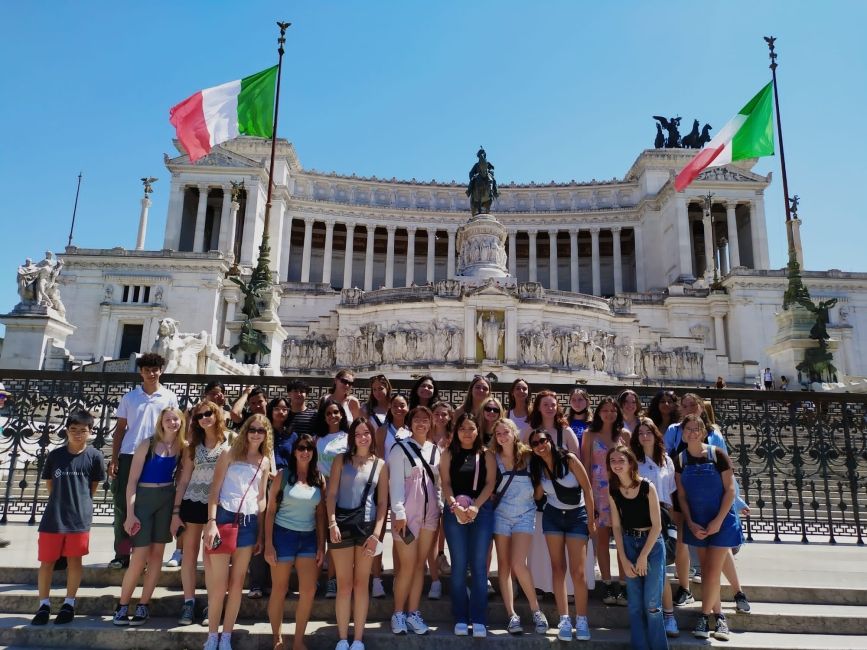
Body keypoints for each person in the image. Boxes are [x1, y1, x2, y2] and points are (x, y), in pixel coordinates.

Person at [202, 415, 272, 650]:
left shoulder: (264, 461)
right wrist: (211, 522)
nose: (256, 434)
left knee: (238, 583)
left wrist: (261, 534)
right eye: (252, 429)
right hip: (224, 518)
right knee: (219, 584)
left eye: (261, 430)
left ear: (266, 434)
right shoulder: (229, 453)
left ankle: (227, 636)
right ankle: (212, 635)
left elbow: (261, 499)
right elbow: (214, 490)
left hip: (249, 523)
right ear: (245, 430)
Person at [113, 407, 186, 626]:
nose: (172, 423)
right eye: (168, 419)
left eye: (176, 419)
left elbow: (181, 479)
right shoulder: (148, 443)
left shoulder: (182, 447)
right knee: (139, 557)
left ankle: (144, 605)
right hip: (144, 497)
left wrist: (175, 512)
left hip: (166, 498)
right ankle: (123, 605)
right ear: (161, 422)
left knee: (157, 556)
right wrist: (130, 514)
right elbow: (132, 481)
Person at [31, 411, 105, 626]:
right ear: (66, 431)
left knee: (74, 560)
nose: (78, 434)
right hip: (53, 518)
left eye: (83, 430)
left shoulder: (95, 456)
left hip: (78, 519)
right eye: (73, 430)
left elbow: (92, 487)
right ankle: (43, 605)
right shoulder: (55, 455)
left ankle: (69, 604)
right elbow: (50, 484)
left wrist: (80, 505)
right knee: (46, 562)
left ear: (90, 432)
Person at [675, 414, 743, 642]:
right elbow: (682, 496)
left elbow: (730, 491)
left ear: (704, 431)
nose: (692, 432)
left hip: (721, 521)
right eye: (688, 429)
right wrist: (691, 522)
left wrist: (717, 521)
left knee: (712, 571)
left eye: (697, 428)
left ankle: (704, 616)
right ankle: (720, 616)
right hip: (697, 521)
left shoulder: (718, 455)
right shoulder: (680, 459)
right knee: (706, 571)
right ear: (683, 433)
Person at [108, 353, 179, 569]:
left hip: (155, 455)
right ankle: (122, 555)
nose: (151, 373)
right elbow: (120, 429)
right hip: (129, 454)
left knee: (149, 506)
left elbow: (175, 426)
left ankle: (146, 556)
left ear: (161, 371)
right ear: (140, 372)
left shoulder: (169, 397)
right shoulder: (130, 397)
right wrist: (114, 458)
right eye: (147, 370)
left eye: (155, 369)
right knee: (122, 506)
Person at [326, 419, 389, 650]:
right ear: (352, 437)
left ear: (372, 436)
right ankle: (343, 638)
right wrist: (332, 522)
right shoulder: (340, 460)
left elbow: (383, 503)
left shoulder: (380, 464)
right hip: (341, 525)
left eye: (367, 433)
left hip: (367, 527)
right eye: (358, 433)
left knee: (362, 584)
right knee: (344, 585)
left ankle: (358, 639)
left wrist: (377, 534)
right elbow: (331, 494)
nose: (363, 437)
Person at [528, 427, 596, 641]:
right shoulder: (537, 465)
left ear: (549, 440)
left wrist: (592, 521)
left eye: (542, 441)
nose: (540, 446)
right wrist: (537, 479)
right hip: (553, 516)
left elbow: (587, 489)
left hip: (577, 516)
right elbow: (538, 495)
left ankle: (582, 619)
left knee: (578, 572)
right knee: (557, 568)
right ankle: (564, 618)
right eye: (535, 444)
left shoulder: (569, 459)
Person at [264, 434, 326, 650]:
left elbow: (320, 515)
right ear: (294, 451)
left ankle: (299, 641)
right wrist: (268, 544)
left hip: (308, 538)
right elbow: (270, 511)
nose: (305, 451)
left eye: (309, 448)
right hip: (283, 536)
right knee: (279, 589)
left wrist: (321, 545)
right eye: (301, 447)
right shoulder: (283, 475)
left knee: (308, 591)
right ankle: (277, 639)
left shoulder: (319, 479)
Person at [171, 400, 229, 626]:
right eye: (198, 416)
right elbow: (184, 479)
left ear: (216, 415)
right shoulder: (193, 445)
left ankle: (211, 604)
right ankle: (189, 602)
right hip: (192, 502)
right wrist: (176, 512)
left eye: (207, 414)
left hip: (218, 504)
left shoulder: (230, 441)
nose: (203, 418)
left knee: (211, 558)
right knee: (189, 554)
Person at [606, 444, 668, 650]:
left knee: (652, 605)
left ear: (631, 462)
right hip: (629, 543)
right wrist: (623, 558)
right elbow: (616, 525)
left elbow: (657, 526)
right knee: (634, 606)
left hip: (651, 546)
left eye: (621, 460)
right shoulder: (613, 490)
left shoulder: (646, 487)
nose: (617, 464)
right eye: (613, 461)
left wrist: (643, 556)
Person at [440, 413, 497, 637]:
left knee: (479, 565)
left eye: (471, 428)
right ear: (456, 431)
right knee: (459, 566)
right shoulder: (448, 453)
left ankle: (479, 617)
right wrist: (455, 506)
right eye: (462, 428)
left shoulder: (486, 455)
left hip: (480, 512)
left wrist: (475, 507)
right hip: (455, 512)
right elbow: (445, 482)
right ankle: (461, 616)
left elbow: (490, 483)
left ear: (478, 431)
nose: (467, 432)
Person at [491, 418, 548, 635]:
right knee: (504, 566)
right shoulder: (493, 457)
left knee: (518, 563)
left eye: (506, 432)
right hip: (501, 516)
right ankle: (511, 615)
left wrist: (534, 498)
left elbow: (541, 481)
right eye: (498, 434)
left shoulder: (528, 456)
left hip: (525, 514)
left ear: (514, 433)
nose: (502, 437)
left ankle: (536, 610)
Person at [387, 405, 441, 636]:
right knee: (407, 565)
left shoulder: (435, 449)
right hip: (407, 513)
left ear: (431, 424)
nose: (421, 423)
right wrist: (398, 512)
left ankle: (413, 612)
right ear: (410, 423)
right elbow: (396, 483)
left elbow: (438, 483)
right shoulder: (400, 448)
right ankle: (398, 613)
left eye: (425, 420)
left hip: (430, 513)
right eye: (417, 419)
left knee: (420, 565)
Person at [630, 418, 679, 638]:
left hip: (662, 517)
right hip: (638, 517)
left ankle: (669, 616)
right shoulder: (633, 462)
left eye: (648, 432)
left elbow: (669, 494)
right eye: (640, 433)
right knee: (640, 573)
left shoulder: (666, 461)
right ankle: (646, 621)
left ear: (655, 435)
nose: (644, 436)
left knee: (660, 571)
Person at [581, 395, 629, 606]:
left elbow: (632, 465)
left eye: (613, 410)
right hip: (598, 493)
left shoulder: (625, 435)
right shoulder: (589, 435)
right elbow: (586, 465)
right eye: (605, 410)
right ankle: (608, 584)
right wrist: (588, 496)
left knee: (622, 541)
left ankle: (624, 584)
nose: (609, 414)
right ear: (598, 413)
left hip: (622, 493)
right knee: (601, 540)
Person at [314, 398, 351, 599]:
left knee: (335, 539)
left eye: (336, 412)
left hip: (341, 491)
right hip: (320, 492)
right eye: (328, 413)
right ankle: (315, 578)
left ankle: (332, 581)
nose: (333, 416)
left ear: (342, 415)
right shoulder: (318, 438)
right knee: (321, 537)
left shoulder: (348, 438)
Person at [427, 401, 454, 598]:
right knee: (432, 535)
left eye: (445, 414)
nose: (441, 417)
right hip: (429, 489)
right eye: (437, 414)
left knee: (448, 531)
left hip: (450, 489)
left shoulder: (455, 438)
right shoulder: (425, 436)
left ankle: (442, 558)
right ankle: (434, 579)